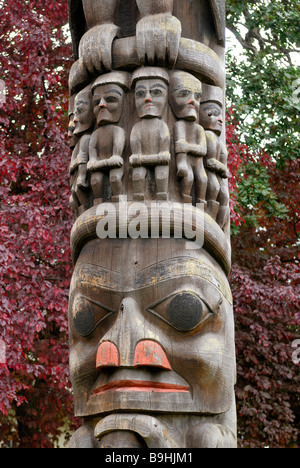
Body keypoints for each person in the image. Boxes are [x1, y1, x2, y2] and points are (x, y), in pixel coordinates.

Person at [169, 71, 207, 205]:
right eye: (184, 93)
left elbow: (202, 149)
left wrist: (188, 147)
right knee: (188, 177)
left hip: (198, 164)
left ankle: (202, 204)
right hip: (186, 162)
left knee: (203, 179)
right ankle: (185, 200)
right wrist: (181, 164)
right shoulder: (179, 125)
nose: (192, 101)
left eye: (197, 96)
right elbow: (179, 147)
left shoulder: (199, 129)